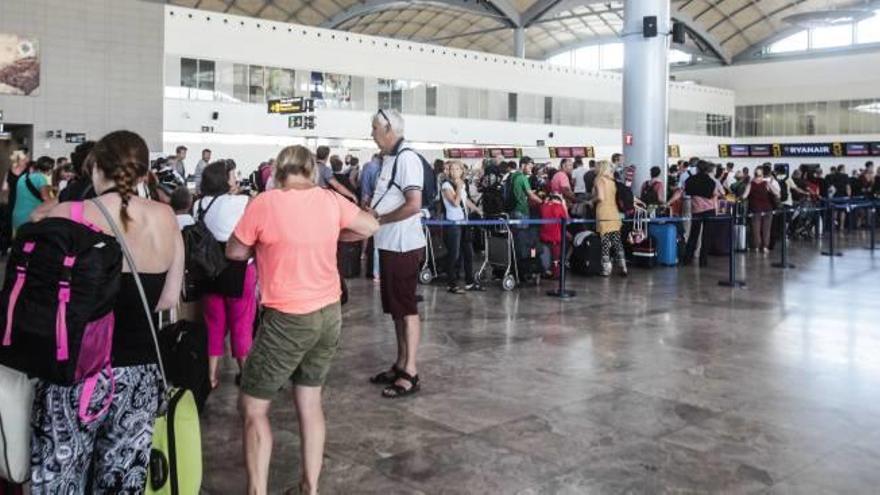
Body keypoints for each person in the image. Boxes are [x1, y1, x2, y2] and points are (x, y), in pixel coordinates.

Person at [30, 130, 184, 493]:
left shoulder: (70, 213)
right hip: (139, 377)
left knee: (61, 480)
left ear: (96, 168)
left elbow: (39, 294)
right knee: (122, 483)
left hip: (74, 375)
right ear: (145, 173)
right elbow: (167, 299)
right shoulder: (165, 217)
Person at [227, 145, 377, 495]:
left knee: (252, 405)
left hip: (288, 318)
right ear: (311, 171)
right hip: (329, 313)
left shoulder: (265, 203)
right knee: (309, 402)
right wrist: (333, 234)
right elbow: (369, 226)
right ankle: (309, 488)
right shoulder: (328, 200)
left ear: (278, 172)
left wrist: (261, 245)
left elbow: (233, 251)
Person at [365, 109, 427, 399]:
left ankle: (410, 371)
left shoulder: (407, 158)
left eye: (375, 128)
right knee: (396, 311)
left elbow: (414, 204)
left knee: (406, 309)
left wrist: (380, 219)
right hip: (389, 244)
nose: (372, 134)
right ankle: (400, 362)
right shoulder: (390, 159)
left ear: (390, 129)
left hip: (402, 244)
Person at [193, 161, 257, 388]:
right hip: (237, 268)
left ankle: (211, 375)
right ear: (224, 179)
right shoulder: (242, 202)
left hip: (208, 269)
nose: (236, 178)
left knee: (214, 323)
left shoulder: (199, 204)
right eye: (232, 175)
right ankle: (246, 374)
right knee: (241, 323)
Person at [440, 160, 483, 294]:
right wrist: (458, 187)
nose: (454, 171)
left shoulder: (462, 184)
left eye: (457, 169)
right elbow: (455, 203)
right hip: (453, 223)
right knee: (454, 254)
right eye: (452, 169)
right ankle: (451, 284)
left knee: (468, 253)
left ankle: (470, 282)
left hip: (464, 222)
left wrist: (477, 209)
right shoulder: (446, 185)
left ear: (462, 171)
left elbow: (465, 200)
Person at [508, 156, 543, 282]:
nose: (531, 169)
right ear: (523, 165)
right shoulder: (522, 178)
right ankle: (523, 270)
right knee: (524, 243)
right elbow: (530, 195)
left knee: (516, 242)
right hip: (522, 213)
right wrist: (543, 202)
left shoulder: (513, 176)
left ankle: (516, 269)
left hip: (513, 212)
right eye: (529, 166)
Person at [682, 160, 722, 267]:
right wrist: (717, 211)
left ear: (697, 169)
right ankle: (703, 260)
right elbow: (715, 197)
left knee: (693, 235)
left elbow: (682, 191)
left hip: (696, 211)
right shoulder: (711, 182)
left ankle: (687, 258)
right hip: (710, 211)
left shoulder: (690, 180)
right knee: (706, 236)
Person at [591, 160, 626, 276]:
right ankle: (623, 266)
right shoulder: (611, 181)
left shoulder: (599, 179)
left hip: (603, 211)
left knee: (605, 240)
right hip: (614, 212)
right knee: (616, 240)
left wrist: (591, 200)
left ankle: (606, 268)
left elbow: (600, 197)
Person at [13, 156, 53, 233]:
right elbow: (45, 198)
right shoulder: (41, 178)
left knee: (21, 241)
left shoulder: (23, 177)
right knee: (32, 242)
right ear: (49, 167)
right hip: (32, 216)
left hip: (17, 215)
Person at [742, 165, 778, 253]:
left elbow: (744, 196)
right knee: (766, 229)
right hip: (767, 209)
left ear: (754, 174)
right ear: (763, 175)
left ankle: (757, 247)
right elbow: (777, 193)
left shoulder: (751, 184)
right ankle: (765, 247)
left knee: (756, 229)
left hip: (755, 209)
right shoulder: (766, 183)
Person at [539, 192, 569, 278]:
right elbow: (567, 221)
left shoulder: (543, 206)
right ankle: (556, 273)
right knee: (556, 257)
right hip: (555, 238)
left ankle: (546, 271)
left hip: (543, 237)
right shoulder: (559, 207)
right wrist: (564, 206)